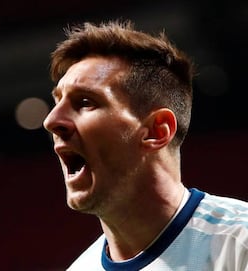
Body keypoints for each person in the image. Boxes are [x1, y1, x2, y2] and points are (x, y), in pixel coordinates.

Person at [43, 19, 248, 271]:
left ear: (156, 131)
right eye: (57, 102)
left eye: (85, 102)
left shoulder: (240, 245)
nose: (51, 121)